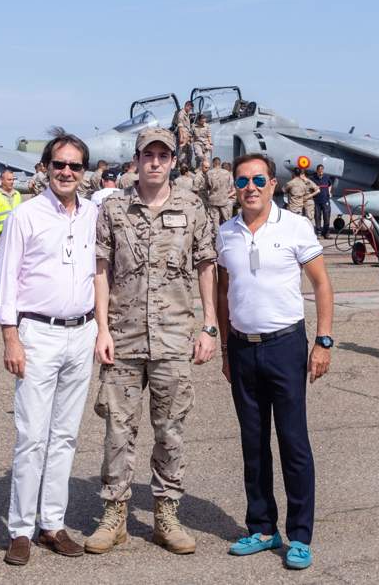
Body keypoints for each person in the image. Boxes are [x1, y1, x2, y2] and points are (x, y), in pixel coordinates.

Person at [85, 127, 218, 556]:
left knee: (171, 431)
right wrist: (102, 329)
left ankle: (166, 513)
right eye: (148, 155)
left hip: (175, 338)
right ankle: (115, 516)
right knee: (117, 431)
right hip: (122, 339)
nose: (155, 162)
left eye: (163, 155)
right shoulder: (114, 209)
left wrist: (210, 325)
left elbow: (205, 267)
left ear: (173, 160)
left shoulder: (192, 207)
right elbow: (101, 270)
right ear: (137, 160)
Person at [216, 153, 333, 571]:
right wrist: (227, 349)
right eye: (243, 180)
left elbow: (321, 284)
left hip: (285, 346)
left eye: (258, 179)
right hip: (243, 348)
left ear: (272, 185)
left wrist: (323, 341)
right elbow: (223, 289)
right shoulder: (225, 232)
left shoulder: (296, 226)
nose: (250, 187)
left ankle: (300, 535)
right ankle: (262, 527)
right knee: (253, 443)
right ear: (235, 186)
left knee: (293, 442)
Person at [0, 134, 98, 566]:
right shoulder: (25, 216)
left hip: (82, 333)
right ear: (45, 168)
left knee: (66, 435)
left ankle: (52, 524)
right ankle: (20, 528)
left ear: (83, 172)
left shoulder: (94, 214)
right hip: (37, 334)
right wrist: (10, 337)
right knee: (32, 435)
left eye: (74, 166)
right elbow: (5, 280)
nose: (66, 172)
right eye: (59, 165)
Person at [206, 156, 235, 226]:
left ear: (213, 163)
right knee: (226, 220)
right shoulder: (227, 173)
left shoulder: (209, 173)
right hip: (224, 200)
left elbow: (207, 187)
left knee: (215, 220)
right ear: (219, 163)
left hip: (213, 200)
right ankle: (226, 234)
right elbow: (231, 186)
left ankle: (216, 235)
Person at [172, 100, 194, 168]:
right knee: (182, 153)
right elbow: (180, 127)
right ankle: (178, 167)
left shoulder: (186, 114)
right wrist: (181, 137)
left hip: (187, 136)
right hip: (183, 136)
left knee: (189, 152)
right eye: (190, 108)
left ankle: (186, 167)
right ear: (186, 106)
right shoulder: (181, 114)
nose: (190, 110)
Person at [312, 165, 333, 237]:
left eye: (322, 171)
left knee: (326, 216)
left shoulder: (326, 177)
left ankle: (326, 232)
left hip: (325, 200)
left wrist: (329, 192)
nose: (321, 173)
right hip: (316, 200)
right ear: (317, 171)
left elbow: (330, 185)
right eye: (319, 171)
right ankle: (318, 232)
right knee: (317, 216)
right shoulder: (313, 178)